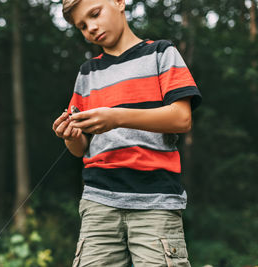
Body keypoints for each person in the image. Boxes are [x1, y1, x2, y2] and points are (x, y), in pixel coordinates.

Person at [52, 0, 202, 266]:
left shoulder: (161, 53)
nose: (91, 28)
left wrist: (116, 117)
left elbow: (182, 118)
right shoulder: (88, 73)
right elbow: (80, 148)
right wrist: (71, 135)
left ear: (120, 2)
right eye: (82, 26)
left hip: (156, 202)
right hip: (98, 203)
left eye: (95, 14)